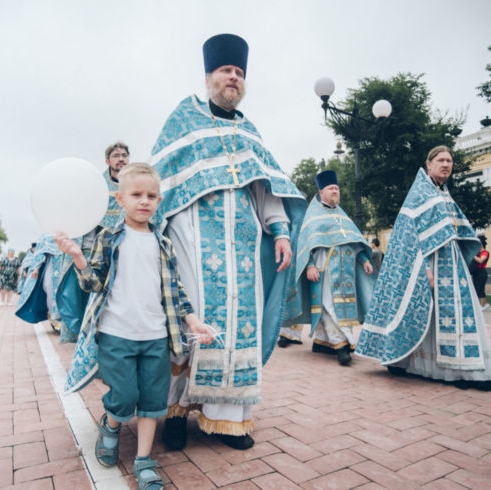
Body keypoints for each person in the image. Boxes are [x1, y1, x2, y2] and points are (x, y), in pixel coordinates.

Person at [150, 33, 306, 450]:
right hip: (191, 239)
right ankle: (175, 413)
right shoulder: (184, 118)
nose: (233, 78)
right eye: (226, 71)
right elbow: (160, 180)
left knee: (239, 330)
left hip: (243, 247)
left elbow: (265, 188)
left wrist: (280, 230)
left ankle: (227, 419)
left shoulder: (249, 129)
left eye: (239, 73)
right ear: (209, 76)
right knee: (190, 327)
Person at [56, 163, 213, 489]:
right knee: (125, 396)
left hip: (156, 337)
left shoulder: (164, 245)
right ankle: (111, 425)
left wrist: (193, 319)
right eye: (136, 194)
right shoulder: (110, 238)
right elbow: (93, 284)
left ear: (159, 200)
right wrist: (78, 258)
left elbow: (175, 291)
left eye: (151, 196)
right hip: (116, 335)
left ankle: (144, 460)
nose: (144, 201)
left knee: (154, 403)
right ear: (120, 198)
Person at [356, 146, 491, 392]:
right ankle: (411, 364)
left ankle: (460, 369)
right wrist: (423, 269)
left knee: (452, 316)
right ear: (429, 164)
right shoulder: (420, 194)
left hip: (452, 266)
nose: (446, 164)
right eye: (441, 160)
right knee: (422, 315)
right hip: (427, 266)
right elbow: (408, 239)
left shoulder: (444, 194)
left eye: (449, 161)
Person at [280, 170, 375, 366]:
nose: (335, 191)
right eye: (331, 188)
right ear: (321, 192)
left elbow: (355, 242)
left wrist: (365, 259)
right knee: (329, 306)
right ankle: (341, 345)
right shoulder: (313, 216)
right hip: (325, 271)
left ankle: (323, 342)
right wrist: (310, 266)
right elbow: (305, 245)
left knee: (343, 306)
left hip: (346, 270)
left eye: (337, 189)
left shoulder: (342, 216)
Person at [55, 141, 128, 343]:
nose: (121, 158)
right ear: (107, 161)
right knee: (83, 293)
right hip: (93, 249)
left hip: (123, 248)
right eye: (116, 155)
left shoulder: (133, 184)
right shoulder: (97, 184)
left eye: (124, 155)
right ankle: (81, 333)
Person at [15, 234, 63, 331]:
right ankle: (54, 317)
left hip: (66, 262)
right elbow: (40, 252)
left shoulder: (71, 229)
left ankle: (65, 319)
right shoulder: (46, 235)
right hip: (51, 264)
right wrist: (36, 268)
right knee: (49, 288)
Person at [471, 236, 490, 310]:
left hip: (481, 272)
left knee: (480, 288)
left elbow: (480, 260)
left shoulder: (485, 253)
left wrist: (473, 256)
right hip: (476, 273)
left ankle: (484, 305)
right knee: (476, 288)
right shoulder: (477, 252)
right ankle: (480, 304)